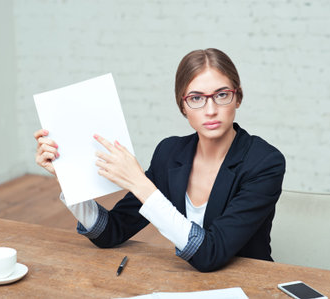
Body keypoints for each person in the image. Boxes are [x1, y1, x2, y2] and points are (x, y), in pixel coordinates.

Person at [34, 48, 286, 272]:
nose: (210, 110)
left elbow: (210, 253)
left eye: (222, 95)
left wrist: (140, 185)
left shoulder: (265, 162)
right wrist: (69, 176)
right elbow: (110, 231)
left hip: (250, 284)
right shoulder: (170, 153)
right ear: (182, 106)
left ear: (238, 98)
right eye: (196, 98)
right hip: (189, 286)